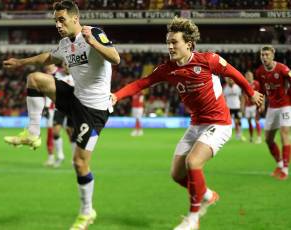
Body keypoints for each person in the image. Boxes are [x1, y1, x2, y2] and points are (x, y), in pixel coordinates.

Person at [111, 17, 264, 230]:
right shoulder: (168, 69)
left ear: (189, 44)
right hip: (196, 124)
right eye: (168, 42)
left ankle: (193, 219)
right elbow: (142, 83)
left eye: (174, 42)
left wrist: (250, 92)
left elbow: (234, 73)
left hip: (219, 123)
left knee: (193, 163)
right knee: (177, 174)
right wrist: (116, 96)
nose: (170, 46)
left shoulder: (208, 60)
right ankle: (207, 194)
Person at [2, 1, 120, 229]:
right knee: (34, 79)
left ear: (75, 18)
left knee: (79, 162)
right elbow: (49, 58)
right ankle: (32, 134)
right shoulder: (65, 43)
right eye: (55, 20)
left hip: (94, 110)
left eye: (61, 19)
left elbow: (115, 58)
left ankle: (87, 212)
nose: (58, 24)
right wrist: (21, 62)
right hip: (76, 98)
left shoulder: (93, 32)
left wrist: (93, 42)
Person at [255, 45, 291, 180]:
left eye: (267, 54)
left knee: (284, 134)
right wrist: (260, 106)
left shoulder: (283, 69)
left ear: (273, 55)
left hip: (285, 106)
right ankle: (280, 164)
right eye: (262, 55)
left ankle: (285, 169)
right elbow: (262, 92)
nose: (264, 57)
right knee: (268, 139)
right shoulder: (259, 72)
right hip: (272, 107)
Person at [242, 70, 262, 144]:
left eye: (249, 76)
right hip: (248, 106)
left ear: (252, 76)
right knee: (249, 122)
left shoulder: (256, 83)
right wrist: (243, 107)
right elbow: (244, 96)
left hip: (255, 106)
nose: (248, 77)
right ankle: (251, 137)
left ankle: (259, 137)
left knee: (256, 121)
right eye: (247, 76)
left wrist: (261, 105)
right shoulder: (245, 84)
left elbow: (261, 94)